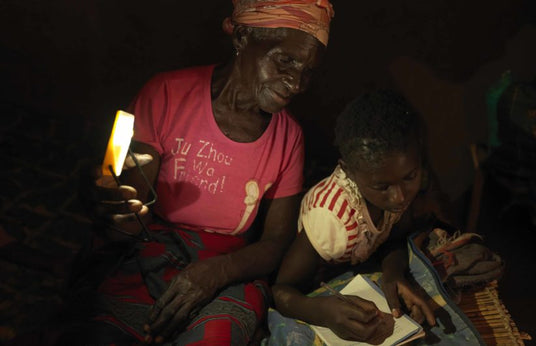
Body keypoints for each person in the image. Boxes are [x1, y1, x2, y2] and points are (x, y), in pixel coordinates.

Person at [60, 1, 334, 345]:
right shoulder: (167, 94)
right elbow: (127, 206)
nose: (297, 83)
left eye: (308, 71)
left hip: (227, 270)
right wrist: (109, 203)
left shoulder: (288, 137)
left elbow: (276, 241)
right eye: (285, 60)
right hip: (148, 250)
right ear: (242, 38)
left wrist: (216, 273)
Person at [270, 90, 454, 344]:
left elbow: (395, 238)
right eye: (382, 187)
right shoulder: (331, 219)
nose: (400, 197)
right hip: (318, 283)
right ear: (349, 172)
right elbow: (281, 291)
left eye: (409, 177)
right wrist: (324, 312)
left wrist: (393, 274)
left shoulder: (397, 185)